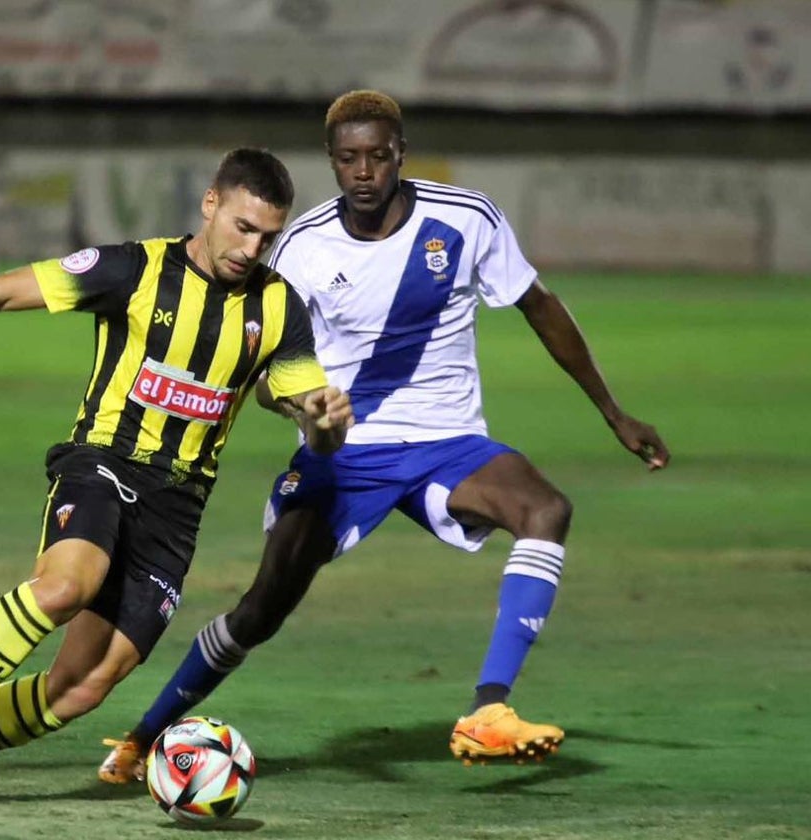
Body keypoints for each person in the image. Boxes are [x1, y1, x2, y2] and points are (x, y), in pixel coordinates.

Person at [98, 90, 671, 782]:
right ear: (332, 163)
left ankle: (489, 709)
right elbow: (266, 364)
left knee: (546, 510)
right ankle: (142, 737)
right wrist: (307, 415)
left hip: (447, 440)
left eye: (377, 155)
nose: (364, 171)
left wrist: (614, 413)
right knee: (263, 606)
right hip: (344, 450)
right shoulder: (303, 250)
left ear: (401, 152)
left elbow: (539, 307)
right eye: (349, 158)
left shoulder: (466, 219)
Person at [0, 148, 354, 810]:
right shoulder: (131, 269)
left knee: (82, 687)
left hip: (176, 510)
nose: (254, 246)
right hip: (103, 461)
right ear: (210, 205)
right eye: (243, 226)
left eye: (269, 235)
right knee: (67, 587)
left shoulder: (278, 308)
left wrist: (326, 420)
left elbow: (308, 417)